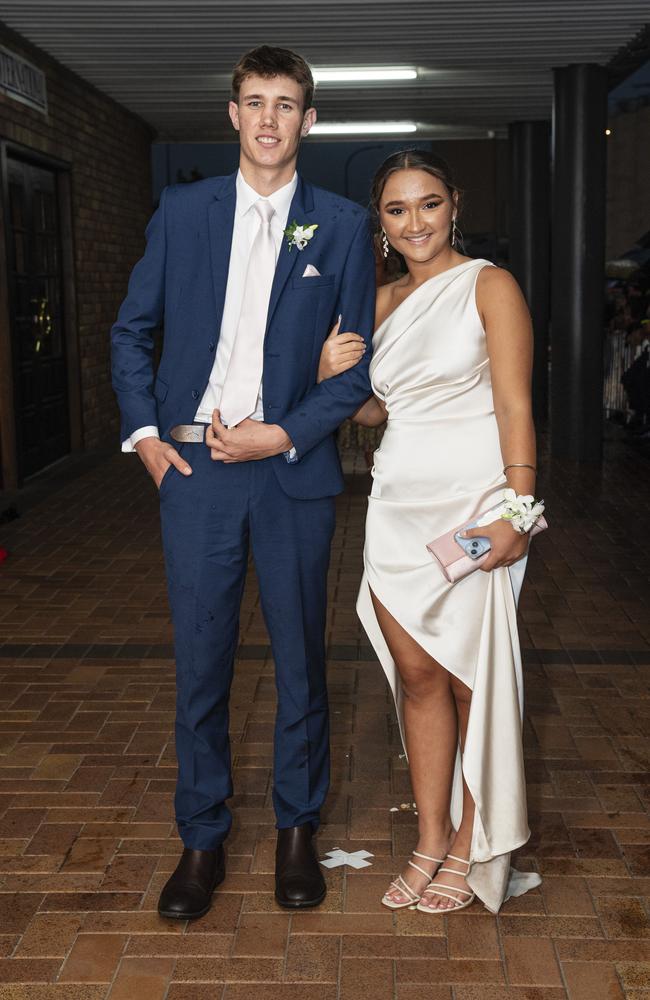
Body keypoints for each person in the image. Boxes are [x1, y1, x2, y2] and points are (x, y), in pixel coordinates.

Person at [111, 45, 375, 921]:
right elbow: (132, 330)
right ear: (233, 114)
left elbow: (352, 373)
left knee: (302, 659)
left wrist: (285, 431)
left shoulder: (338, 225)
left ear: (309, 120)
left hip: (292, 475)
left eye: (287, 104)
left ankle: (299, 832)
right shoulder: (185, 212)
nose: (269, 119)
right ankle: (202, 838)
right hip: (194, 474)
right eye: (255, 102)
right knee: (202, 662)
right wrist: (147, 438)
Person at [318, 149, 543, 914]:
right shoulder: (377, 302)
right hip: (397, 506)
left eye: (429, 204)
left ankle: (480, 843)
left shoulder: (490, 285)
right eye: (396, 209)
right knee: (416, 677)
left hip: (475, 505)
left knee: (472, 679)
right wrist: (333, 380)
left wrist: (517, 511)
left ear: (455, 206)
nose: (415, 222)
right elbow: (381, 407)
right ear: (379, 221)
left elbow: (514, 405)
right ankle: (431, 836)